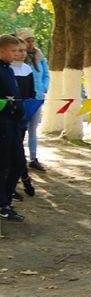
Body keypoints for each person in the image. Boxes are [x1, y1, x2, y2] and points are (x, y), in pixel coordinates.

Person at [0, 34, 26, 222]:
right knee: (3, 166)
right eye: (13, 50)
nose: (16, 54)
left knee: (17, 164)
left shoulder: (8, 69)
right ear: (2, 50)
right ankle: (3, 205)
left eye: (18, 50)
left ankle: (6, 200)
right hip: (2, 125)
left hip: (13, 124)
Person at [16, 28, 48, 171]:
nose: (30, 44)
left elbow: (46, 75)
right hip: (22, 98)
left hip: (37, 98)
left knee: (33, 129)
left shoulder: (40, 57)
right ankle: (17, 159)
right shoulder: (18, 57)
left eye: (32, 40)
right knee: (19, 129)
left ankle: (33, 158)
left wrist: (44, 88)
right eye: (27, 41)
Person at [10, 39, 36, 200]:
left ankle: (21, 180)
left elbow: (31, 92)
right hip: (8, 116)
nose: (21, 54)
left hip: (22, 116)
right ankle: (20, 182)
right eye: (17, 50)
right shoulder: (6, 70)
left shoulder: (27, 69)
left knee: (18, 150)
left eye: (23, 50)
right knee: (12, 153)